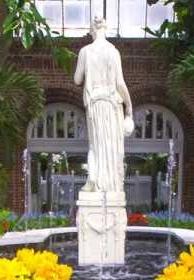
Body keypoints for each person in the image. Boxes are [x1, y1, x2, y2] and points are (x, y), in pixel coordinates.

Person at [73, 15, 133, 194]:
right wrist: (129, 106)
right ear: (104, 29)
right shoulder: (113, 52)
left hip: (94, 103)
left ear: (92, 30)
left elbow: (77, 80)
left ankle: (93, 178)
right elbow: (120, 83)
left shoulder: (85, 51)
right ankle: (111, 184)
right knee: (112, 146)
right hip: (112, 105)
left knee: (95, 145)